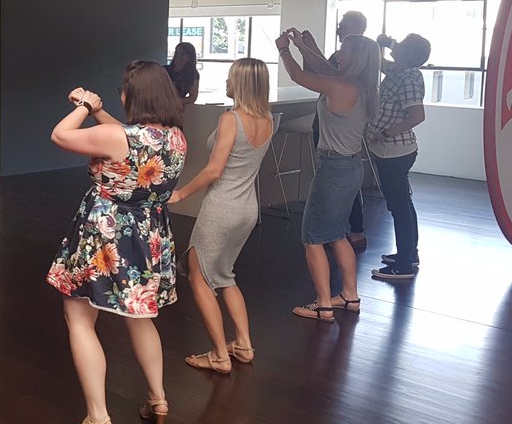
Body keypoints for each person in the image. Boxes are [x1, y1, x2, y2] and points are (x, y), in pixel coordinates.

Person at [45, 62, 187, 424]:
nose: (121, 96)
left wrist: (83, 105)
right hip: (148, 236)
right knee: (140, 317)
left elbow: (60, 134)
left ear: (134, 96)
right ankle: (158, 399)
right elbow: (124, 136)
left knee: (78, 315)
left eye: (124, 90)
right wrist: (97, 110)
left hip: (106, 235)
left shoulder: (118, 137)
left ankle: (98, 418)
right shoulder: (175, 137)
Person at [169, 58, 273, 373]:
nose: (226, 83)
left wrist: (181, 193)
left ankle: (219, 355)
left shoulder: (231, 119)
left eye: (230, 78)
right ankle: (243, 344)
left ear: (241, 83)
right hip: (247, 208)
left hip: (222, 208)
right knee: (225, 275)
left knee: (198, 276)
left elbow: (214, 170)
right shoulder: (267, 118)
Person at [277, 30, 379, 321]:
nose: (339, 54)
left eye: (344, 50)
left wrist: (284, 50)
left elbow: (298, 75)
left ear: (356, 57)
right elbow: (326, 70)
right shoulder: (361, 86)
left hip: (333, 169)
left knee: (312, 238)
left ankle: (323, 304)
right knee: (336, 235)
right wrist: (305, 46)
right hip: (351, 168)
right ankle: (349, 296)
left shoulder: (340, 86)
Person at [367, 33, 430, 280]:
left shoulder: (408, 78)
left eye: (401, 44)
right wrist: (384, 43)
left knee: (399, 206)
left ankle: (404, 265)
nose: (397, 45)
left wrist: (385, 133)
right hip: (392, 151)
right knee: (402, 203)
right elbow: (380, 63)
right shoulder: (398, 71)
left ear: (407, 54)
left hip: (395, 150)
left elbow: (417, 115)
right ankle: (408, 254)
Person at [166, 41, 200, 106]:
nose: (178, 56)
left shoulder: (193, 74)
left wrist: (175, 102)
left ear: (189, 58)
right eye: (176, 53)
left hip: (176, 106)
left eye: (182, 54)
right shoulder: (164, 70)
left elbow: (193, 97)